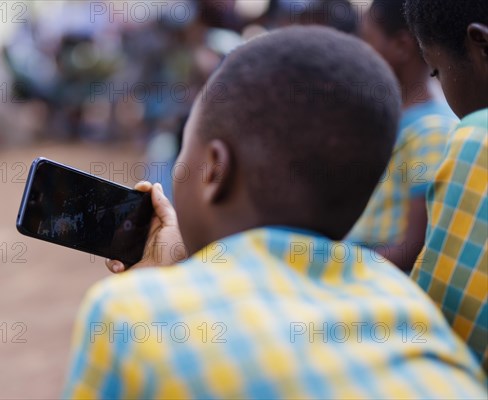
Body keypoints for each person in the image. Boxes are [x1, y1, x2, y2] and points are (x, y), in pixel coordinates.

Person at [63, 27, 487, 399]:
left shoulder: (130, 315)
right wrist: (181, 268)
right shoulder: (412, 309)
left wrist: (154, 291)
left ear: (213, 168)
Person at [404, 0, 488, 371]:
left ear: (480, 46)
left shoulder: (477, 141)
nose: (438, 81)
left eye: (436, 70)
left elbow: (436, 336)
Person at [347, 0, 457, 271]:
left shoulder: (431, 130)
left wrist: (339, 266)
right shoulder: (388, 117)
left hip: (383, 283)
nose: (359, 51)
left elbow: (413, 248)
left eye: (367, 40)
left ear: (401, 46)